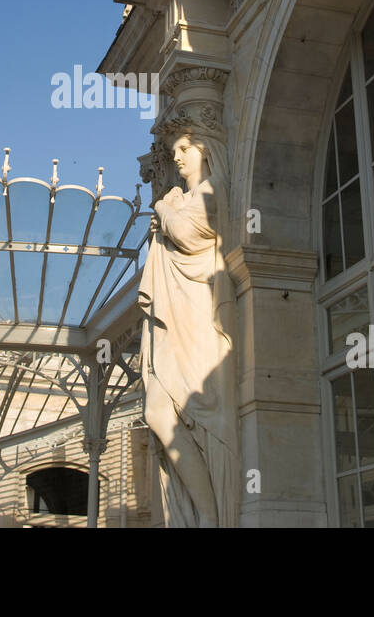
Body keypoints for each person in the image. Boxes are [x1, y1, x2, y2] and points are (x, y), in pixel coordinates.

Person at [138, 127, 240, 526]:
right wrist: (169, 208)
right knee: (157, 412)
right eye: (174, 150)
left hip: (199, 314)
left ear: (206, 148)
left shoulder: (212, 190)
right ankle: (204, 512)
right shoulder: (181, 198)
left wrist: (164, 208)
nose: (178, 157)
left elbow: (184, 233)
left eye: (185, 148)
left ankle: (210, 513)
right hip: (175, 313)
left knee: (180, 411)